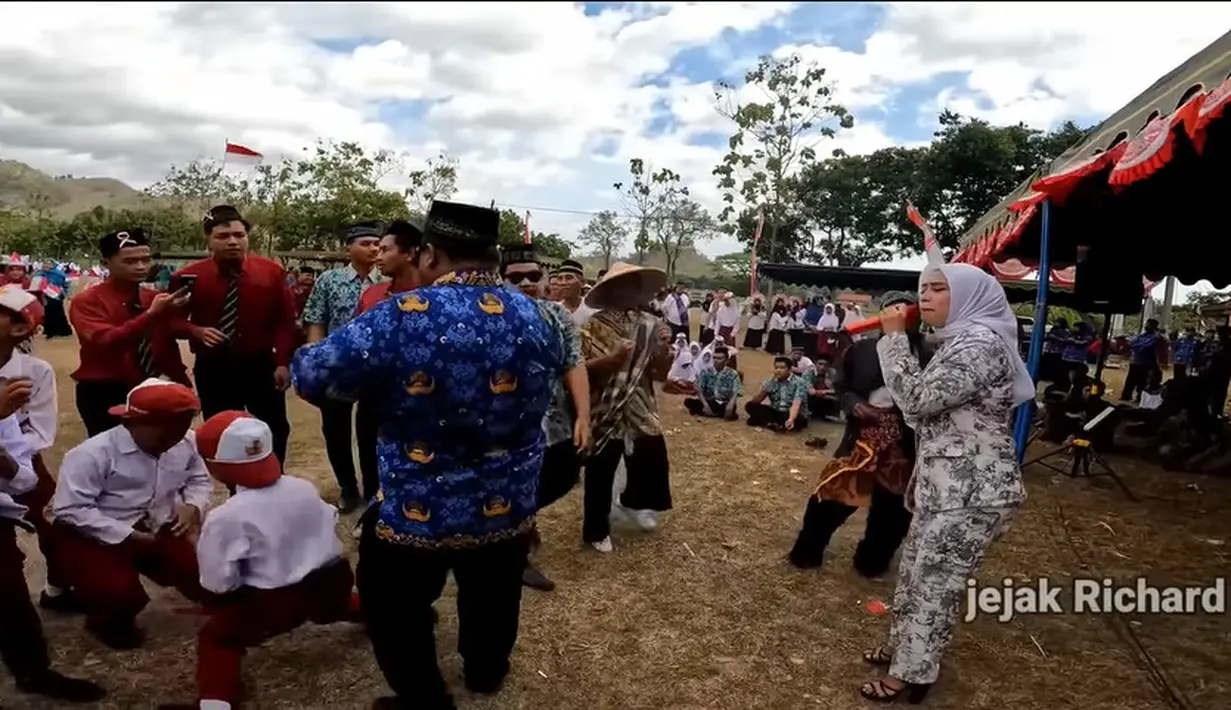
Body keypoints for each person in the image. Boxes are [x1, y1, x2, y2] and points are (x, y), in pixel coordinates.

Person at [292, 200, 576, 710]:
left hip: (418, 504)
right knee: (494, 589)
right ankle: (486, 672)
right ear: (491, 256)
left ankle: (424, 696)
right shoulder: (541, 317)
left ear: (427, 254)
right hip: (507, 498)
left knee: (391, 599)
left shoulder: (400, 316)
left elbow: (314, 377)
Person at [858, 263, 1029, 703]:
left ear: (970, 296)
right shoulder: (957, 342)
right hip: (946, 485)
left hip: (972, 490)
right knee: (915, 574)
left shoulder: (979, 344)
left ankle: (910, 676)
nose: (924, 297)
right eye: (923, 288)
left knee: (935, 585)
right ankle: (903, 652)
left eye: (938, 289)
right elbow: (920, 411)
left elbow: (914, 399)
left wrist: (894, 339)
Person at [158, 411, 361, 710]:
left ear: (215, 466)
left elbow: (217, 583)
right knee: (339, 604)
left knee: (219, 638)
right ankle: (391, 616)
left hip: (275, 602)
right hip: (333, 579)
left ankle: (215, 704)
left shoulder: (227, 517)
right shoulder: (303, 487)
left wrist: (200, 545)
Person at [50, 379, 214, 650]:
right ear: (128, 423)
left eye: (180, 430)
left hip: (158, 524)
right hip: (95, 533)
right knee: (119, 593)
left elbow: (198, 480)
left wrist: (192, 506)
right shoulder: (90, 455)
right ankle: (107, 620)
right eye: (164, 434)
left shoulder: (186, 442)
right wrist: (129, 535)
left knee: (202, 575)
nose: (172, 441)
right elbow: (71, 509)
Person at [0, 307, 105, 703]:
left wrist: (14, 469)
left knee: (47, 533)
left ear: (21, 328)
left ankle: (32, 666)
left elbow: (22, 453)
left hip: (12, 473)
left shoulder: (28, 376)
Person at [788, 291, 923, 576]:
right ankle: (807, 552)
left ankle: (871, 562)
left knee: (893, 511)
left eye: (906, 309)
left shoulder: (929, 352)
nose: (898, 315)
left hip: (903, 446)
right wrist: (854, 404)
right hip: (862, 439)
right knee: (831, 496)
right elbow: (840, 385)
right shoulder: (861, 350)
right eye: (891, 309)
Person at [173, 205, 296, 471]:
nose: (232, 241)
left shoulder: (271, 273)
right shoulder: (187, 277)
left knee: (275, 427)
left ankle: (274, 480)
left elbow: (285, 320)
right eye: (223, 235)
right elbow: (170, 320)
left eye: (239, 235)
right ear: (208, 239)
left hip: (261, 365)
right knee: (223, 431)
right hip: (214, 367)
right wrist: (195, 330)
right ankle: (236, 488)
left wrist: (283, 362)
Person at [500, 244, 592, 591]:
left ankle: (516, 519)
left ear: (544, 279)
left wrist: (583, 415)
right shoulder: (491, 315)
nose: (526, 283)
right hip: (505, 423)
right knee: (514, 483)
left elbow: (574, 361)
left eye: (533, 276)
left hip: (553, 419)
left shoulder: (557, 316)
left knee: (566, 474)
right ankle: (514, 554)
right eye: (516, 277)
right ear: (501, 280)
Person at [69, 228, 191, 436]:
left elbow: (169, 338)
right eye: (130, 261)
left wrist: (194, 327)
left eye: (145, 259)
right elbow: (107, 340)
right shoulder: (87, 302)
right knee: (113, 454)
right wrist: (151, 315)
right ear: (105, 263)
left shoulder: (155, 297)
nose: (141, 266)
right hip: (106, 389)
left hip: (156, 385)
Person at [301, 221, 383, 512]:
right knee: (335, 429)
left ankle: (374, 488)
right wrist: (316, 357)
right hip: (339, 366)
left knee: (371, 430)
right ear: (349, 248)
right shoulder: (329, 280)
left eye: (377, 243)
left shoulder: (387, 280)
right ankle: (348, 487)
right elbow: (316, 318)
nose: (373, 248)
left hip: (377, 370)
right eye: (366, 243)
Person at [745, 356, 810, 431]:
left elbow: (796, 404)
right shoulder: (770, 381)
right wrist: (765, 390)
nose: (778, 370)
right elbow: (756, 401)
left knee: (800, 420)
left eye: (782, 368)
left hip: (791, 412)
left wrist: (791, 418)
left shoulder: (800, 382)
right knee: (750, 405)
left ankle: (772, 423)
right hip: (776, 411)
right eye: (776, 368)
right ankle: (776, 424)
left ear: (789, 369)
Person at [684, 345, 741, 419]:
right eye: (714, 358)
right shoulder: (706, 372)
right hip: (709, 401)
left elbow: (735, 391)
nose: (715, 360)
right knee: (688, 401)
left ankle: (710, 412)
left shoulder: (732, 374)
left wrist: (731, 404)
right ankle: (712, 412)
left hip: (724, 402)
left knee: (729, 408)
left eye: (719, 358)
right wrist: (705, 405)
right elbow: (699, 390)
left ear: (727, 361)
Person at [1122, 318, 1165, 402]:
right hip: (1135, 361)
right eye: (1146, 324)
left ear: (1154, 326)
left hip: (1146, 363)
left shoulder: (1155, 337)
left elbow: (1146, 347)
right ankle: (1126, 396)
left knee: (1142, 382)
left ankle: (1139, 398)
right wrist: (1138, 346)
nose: (1146, 326)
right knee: (1130, 380)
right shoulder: (1141, 336)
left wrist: (1138, 346)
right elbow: (1132, 343)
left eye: (1149, 324)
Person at [552, 258, 598, 325]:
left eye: (568, 278)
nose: (563, 283)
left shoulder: (593, 311)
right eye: (560, 278)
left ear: (582, 282)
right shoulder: (553, 311)